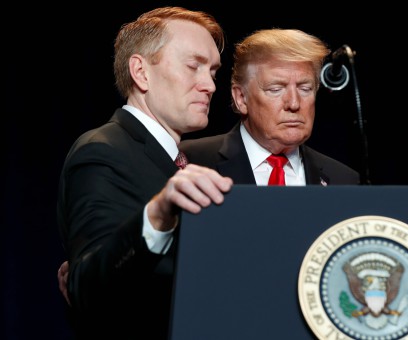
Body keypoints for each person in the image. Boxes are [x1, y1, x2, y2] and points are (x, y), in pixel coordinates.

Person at [56, 7, 233, 340]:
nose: (209, 84)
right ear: (140, 72)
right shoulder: (103, 151)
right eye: (193, 66)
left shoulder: (186, 161)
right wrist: (155, 215)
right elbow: (87, 291)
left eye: (213, 71)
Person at [180, 28, 360, 186]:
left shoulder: (343, 180)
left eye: (305, 89)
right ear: (241, 98)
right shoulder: (190, 161)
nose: (294, 104)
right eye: (276, 89)